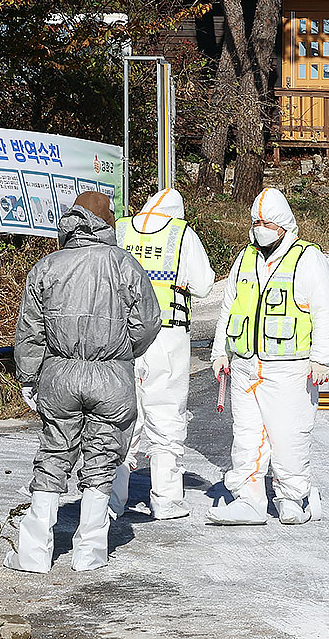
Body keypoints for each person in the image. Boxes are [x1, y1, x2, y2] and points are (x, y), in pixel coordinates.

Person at [5, 192, 160, 573]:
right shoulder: (125, 265)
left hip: (60, 373)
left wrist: (29, 377)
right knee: (103, 458)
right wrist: (121, 349)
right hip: (111, 374)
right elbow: (148, 323)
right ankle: (89, 553)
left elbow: (30, 331)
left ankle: (34, 553)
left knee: (53, 455)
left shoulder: (47, 267)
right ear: (106, 224)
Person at [207, 188, 329, 526]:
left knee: (289, 436)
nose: (259, 228)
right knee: (246, 435)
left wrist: (322, 359)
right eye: (255, 222)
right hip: (246, 366)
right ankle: (249, 500)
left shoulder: (307, 258)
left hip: (291, 369)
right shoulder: (244, 258)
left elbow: (326, 311)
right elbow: (229, 307)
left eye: (266, 222)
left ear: (282, 225)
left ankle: (295, 499)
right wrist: (220, 351)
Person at [109, 188, 214, 520]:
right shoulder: (181, 235)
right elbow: (203, 285)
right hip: (166, 336)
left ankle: (112, 499)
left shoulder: (120, 229)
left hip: (120, 335)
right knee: (166, 413)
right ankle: (166, 499)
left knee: (121, 415)